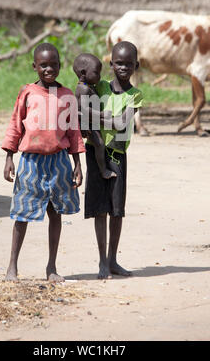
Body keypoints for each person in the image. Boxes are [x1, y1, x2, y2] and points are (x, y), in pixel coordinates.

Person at [1, 43, 85, 283]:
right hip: (31, 162)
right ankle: (12, 267)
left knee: (56, 212)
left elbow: (73, 131)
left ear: (60, 65)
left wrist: (77, 162)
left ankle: (51, 267)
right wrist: (9, 156)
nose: (50, 69)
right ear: (34, 66)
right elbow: (16, 124)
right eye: (44, 65)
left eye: (54, 65)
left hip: (59, 161)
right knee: (22, 214)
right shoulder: (27, 93)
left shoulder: (67, 95)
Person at [84, 41, 143, 279]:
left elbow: (120, 124)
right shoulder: (100, 88)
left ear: (136, 66)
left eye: (129, 64)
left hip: (118, 154)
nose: (123, 67)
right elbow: (80, 105)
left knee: (117, 210)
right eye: (119, 63)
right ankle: (102, 262)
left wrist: (93, 116)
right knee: (100, 209)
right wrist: (96, 116)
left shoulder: (135, 95)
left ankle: (113, 260)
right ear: (111, 63)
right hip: (94, 152)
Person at [73, 53, 117, 179]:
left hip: (91, 122)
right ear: (83, 73)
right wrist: (102, 115)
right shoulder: (84, 89)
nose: (99, 76)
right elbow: (84, 109)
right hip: (89, 124)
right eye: (96, 73)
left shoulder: (89, 87)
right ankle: (103, 170)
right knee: (100, 144)